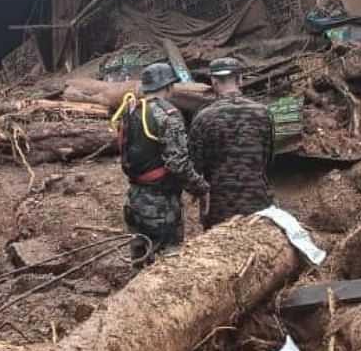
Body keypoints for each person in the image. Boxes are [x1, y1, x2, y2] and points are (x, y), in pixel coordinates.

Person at [115, 63, 210, 265]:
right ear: (169, 87)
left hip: (134, 198)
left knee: (141, 259)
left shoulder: (131, 110)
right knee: (168, 264)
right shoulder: (168, 115)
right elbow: (178, 164)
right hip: (161, 205)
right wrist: (200, 187)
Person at [189, 57, 275, 229]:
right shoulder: (264, 113)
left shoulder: (203, 118)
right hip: (257, 201)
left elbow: (196, 166)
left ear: (213, 81)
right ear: (240, 79)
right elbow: (268, 158)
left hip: (218, 206)